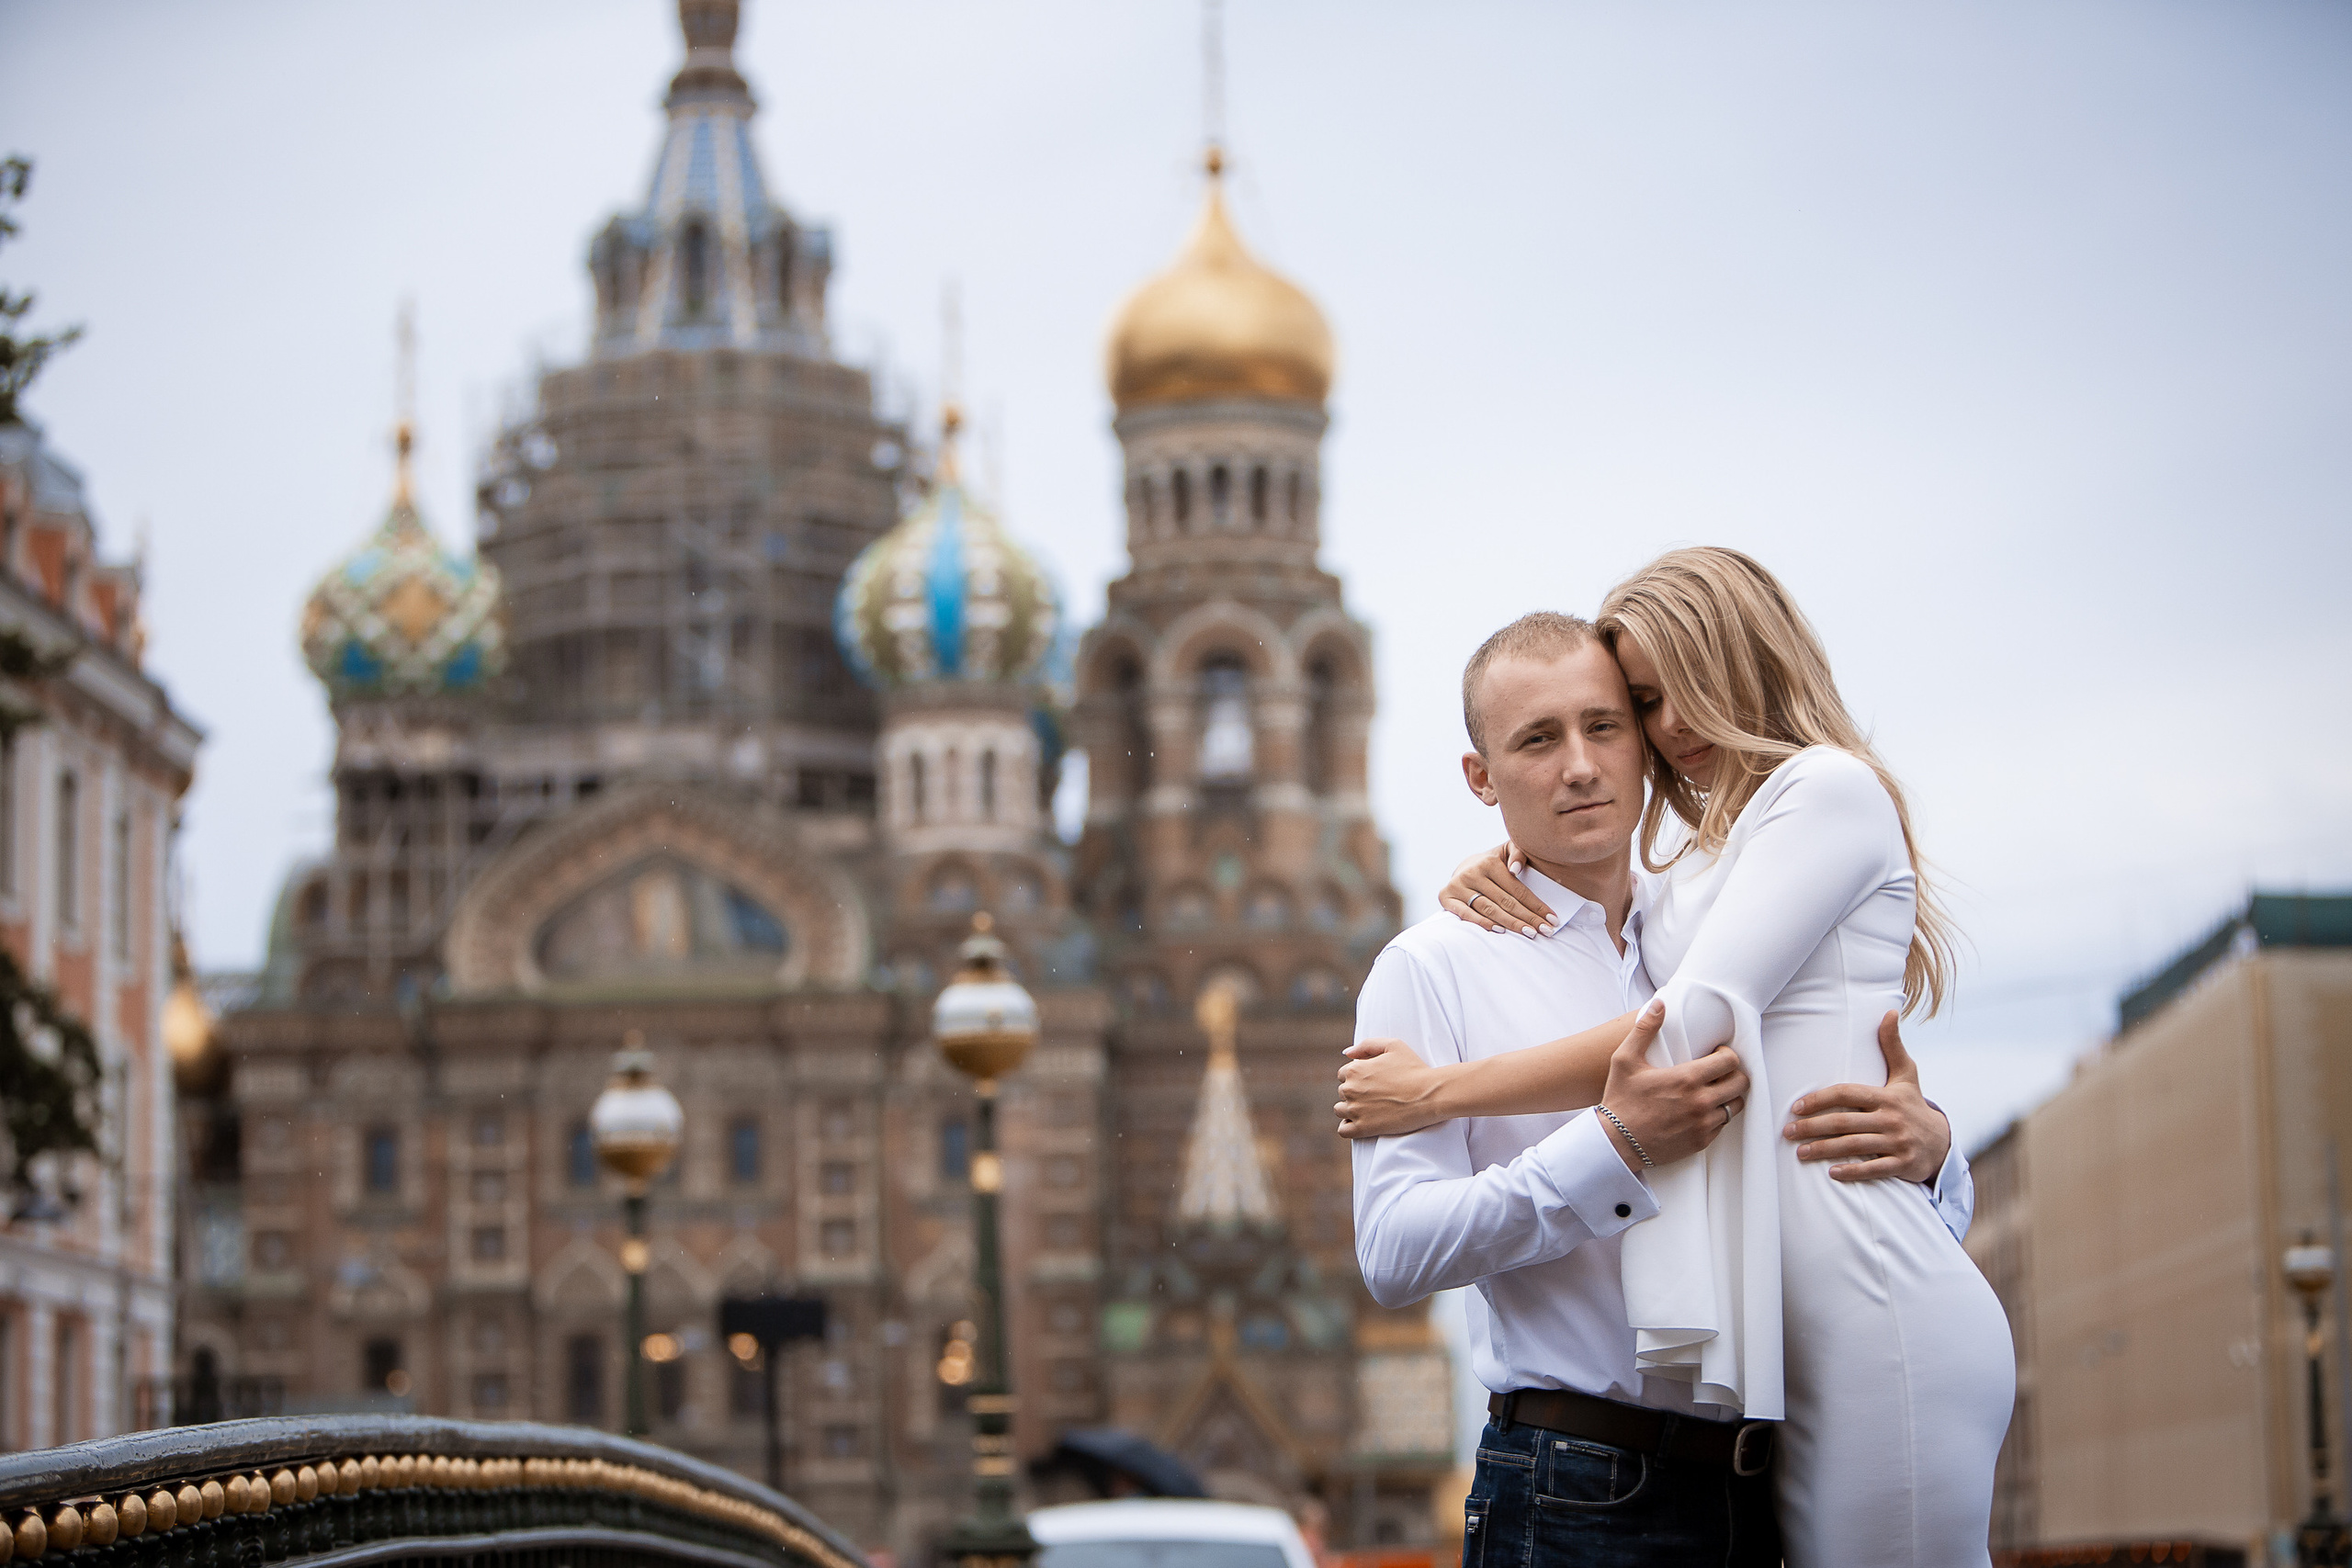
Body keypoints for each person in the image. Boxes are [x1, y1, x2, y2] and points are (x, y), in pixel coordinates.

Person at [1348, 604, 1974, 1568]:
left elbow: (1816, 1145)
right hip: (1577, 1484)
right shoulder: (1430, 968)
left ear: (1645, 740)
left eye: (1604, 726)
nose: (1580, 766)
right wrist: (1610, 1147)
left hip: (1769, 1476)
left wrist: (1930, 1152)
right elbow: (1392, 1252)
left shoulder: (1713, 926)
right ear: (1481, 778)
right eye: (1536, 740)